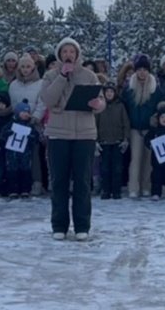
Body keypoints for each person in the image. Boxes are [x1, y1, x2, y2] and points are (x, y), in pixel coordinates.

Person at [40, 37, 105, 242]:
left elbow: (101, 101)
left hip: (85, 135)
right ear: (60, 54)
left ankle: (82, 226)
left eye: (72, 51)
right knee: (59, 181)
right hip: (58, 134)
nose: (68, 55)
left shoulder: (89, 75)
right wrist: (61, 76)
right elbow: (49, 100)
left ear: (77, 54)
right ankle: (59, 225)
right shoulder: (50, 75)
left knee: (83, 182)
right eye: (65, 51)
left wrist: (97, 104)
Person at [8, 54, 47, 196]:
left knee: (35, 155)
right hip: (18, 123)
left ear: (33, 68)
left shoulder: (40, 83)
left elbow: (42, 103)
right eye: (23, 67)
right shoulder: (13, 85)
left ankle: (37, 182)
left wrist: (35, 117)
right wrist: (18, 115)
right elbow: (13, 104)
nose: (25, 69)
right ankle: (18, 183)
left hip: (34, 123)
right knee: (17, 154)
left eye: (28, 66)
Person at [123, 55, 161, 199]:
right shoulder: (129, 89)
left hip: (150, 129)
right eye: (139, 69)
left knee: (148, 160)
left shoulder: (155, 89)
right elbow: (124, 107)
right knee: (135, 159)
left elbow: (161, 105)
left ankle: (146, 186)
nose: (142, 72)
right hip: (134, 129)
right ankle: (133, 187)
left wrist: (156, 119)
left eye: (145, 69)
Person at [96, 82, 130, 200]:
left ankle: (116, 191)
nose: (109, 94)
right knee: (105, 168)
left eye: (111, 92)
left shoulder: (120, 106)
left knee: (117, 168)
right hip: (104, 142)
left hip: (117, 142)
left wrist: (126, 138)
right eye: (107, 92)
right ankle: (106, 190)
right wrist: (95, 140)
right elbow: (95, 124)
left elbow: (126, 123)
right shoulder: (99, 106)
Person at [0, 99, 40, 200]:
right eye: (23, 112)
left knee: (25, 171)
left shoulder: (30, 126)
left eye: (27, 112)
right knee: (12, 171)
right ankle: (13, 190)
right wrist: (9, 132)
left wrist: (31, 136)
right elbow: (2, 136)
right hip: (12, 153)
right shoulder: (10, 124)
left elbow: (35, 138)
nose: (26, 114)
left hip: (25, 153)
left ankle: (25, 190)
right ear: (18, 113)